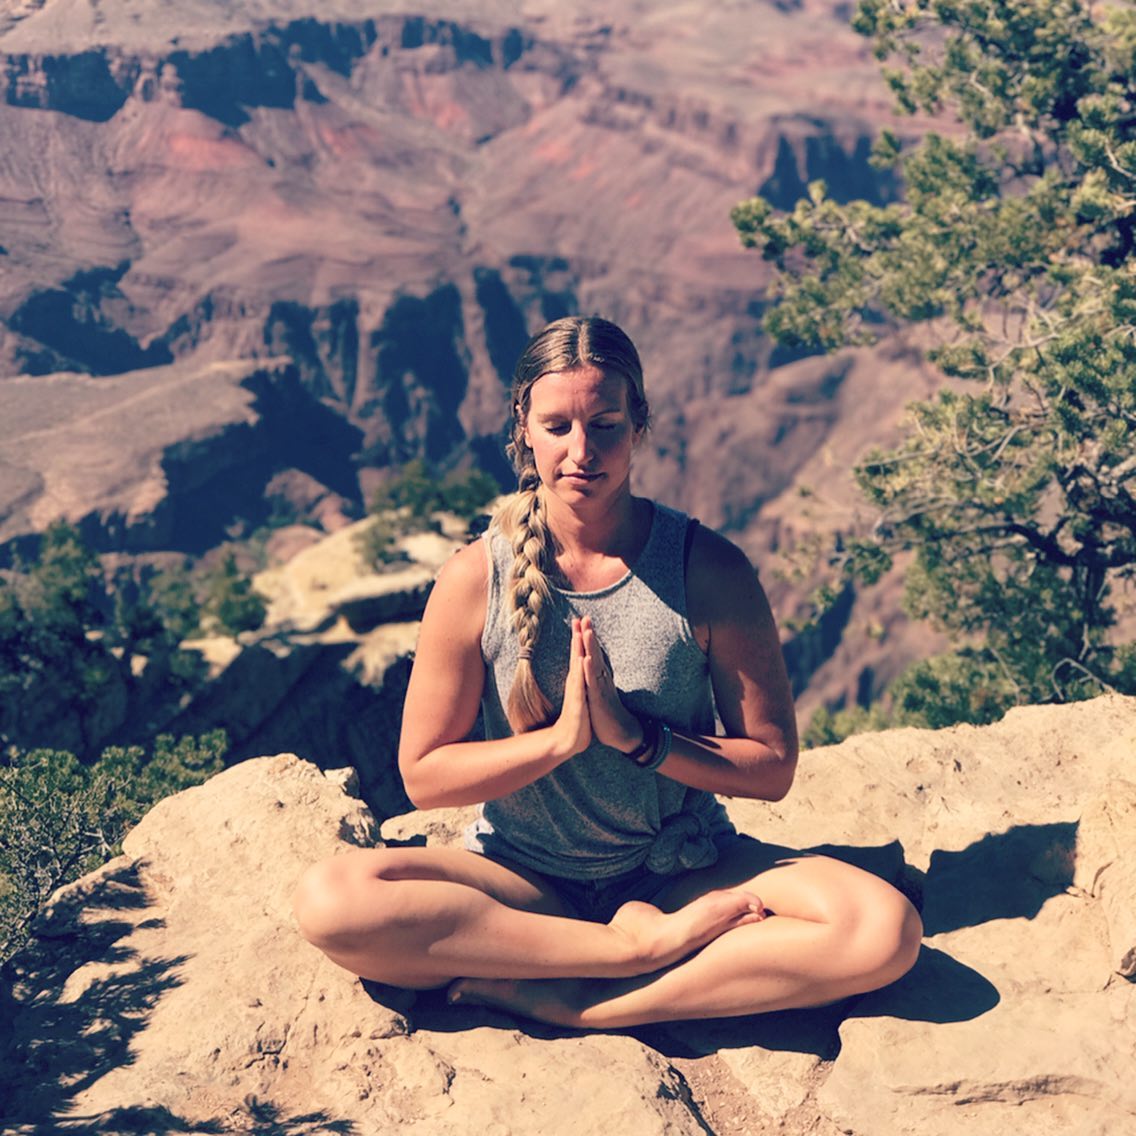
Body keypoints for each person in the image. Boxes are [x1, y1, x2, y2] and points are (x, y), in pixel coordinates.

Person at [293, 316, 922, 1028]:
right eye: (557, 425)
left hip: (682, 871)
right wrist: (560, 741)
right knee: (333, 899)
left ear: (639, 426)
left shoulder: (707, 571)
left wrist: (639, 740)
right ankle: (623, 954)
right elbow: (424, 775)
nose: (581, 451)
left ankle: (584, 1001)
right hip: (522, 882)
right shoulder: (475, 579)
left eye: (606, 425)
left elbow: (771, 767)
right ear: (523, 428)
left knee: (882, 931)